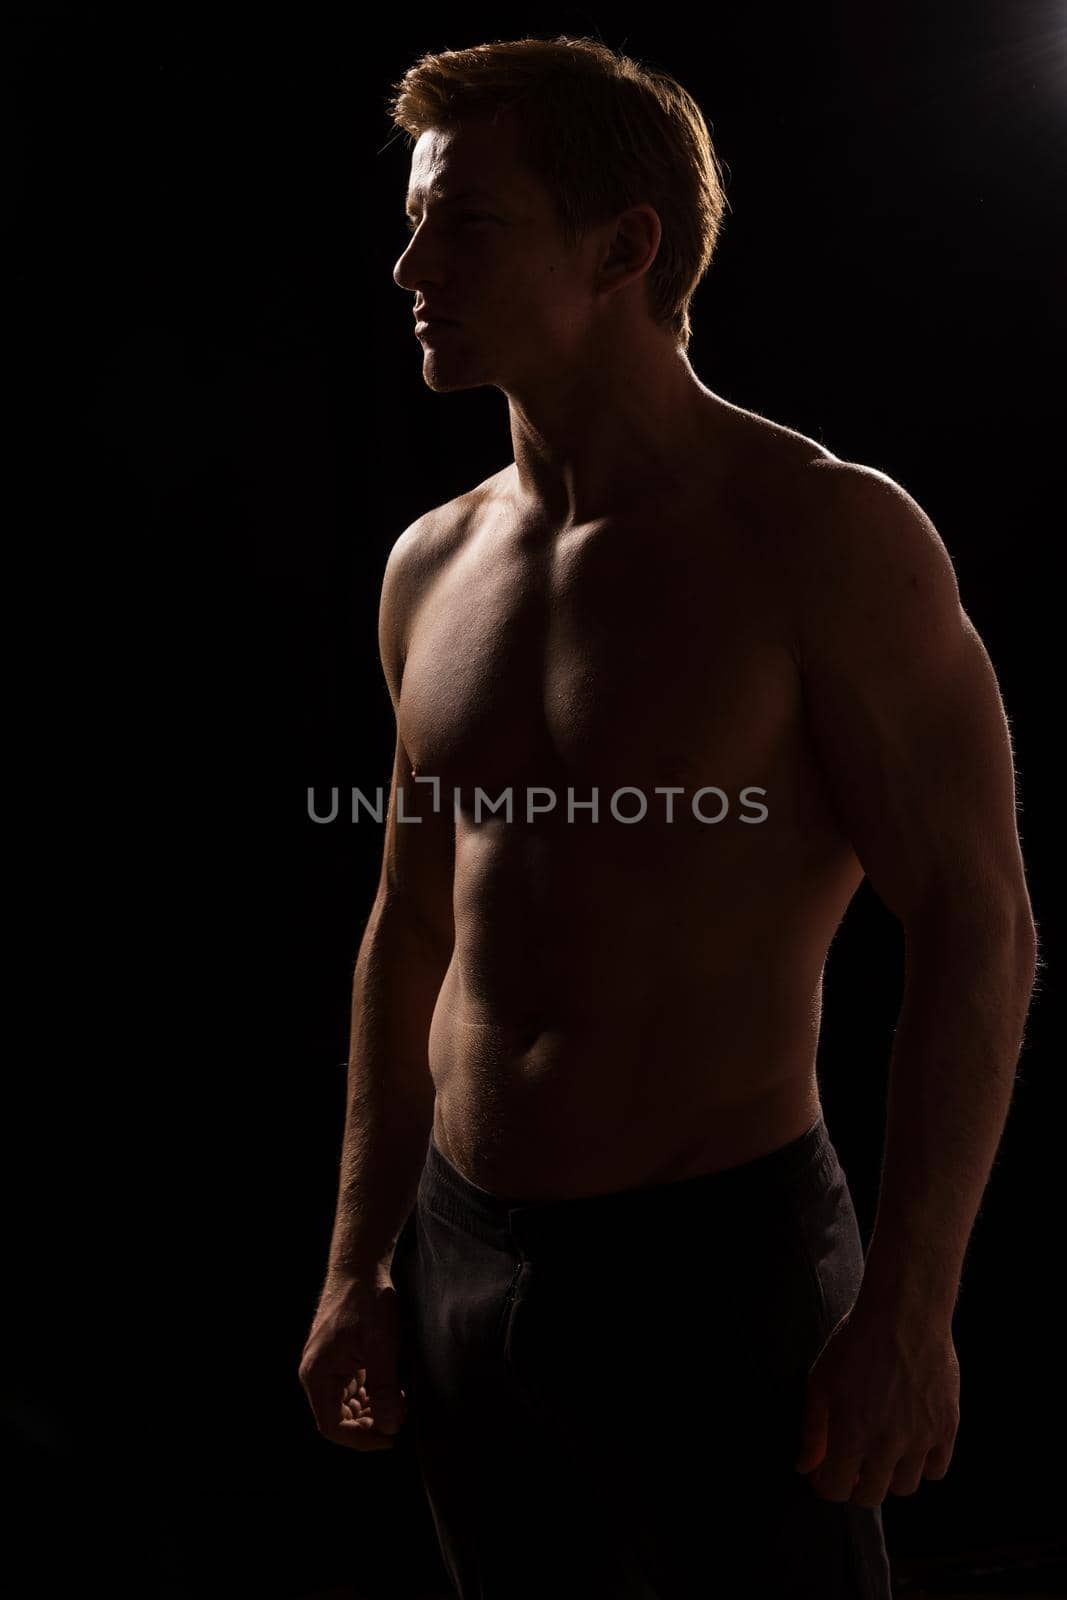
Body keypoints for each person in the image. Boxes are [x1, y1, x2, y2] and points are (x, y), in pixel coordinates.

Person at [298, 35, 1038, 1599]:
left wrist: (909, 1305)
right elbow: (411, 926)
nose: (407, 261)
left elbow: (979, 924)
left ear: (623, 246)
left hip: (726, 1277)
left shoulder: (824, 536)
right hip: (464, 1259)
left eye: (467, 221)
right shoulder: (430, 565)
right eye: (418, 218)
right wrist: (359, 1262)